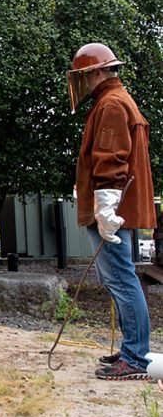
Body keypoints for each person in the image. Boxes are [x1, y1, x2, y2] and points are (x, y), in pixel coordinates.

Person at [67, 42, 156, 381]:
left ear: (99, 72)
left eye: (85, 76)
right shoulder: (115, 101)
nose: (83, 83)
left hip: (113, 210)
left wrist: (105, 209)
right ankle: (134, 349)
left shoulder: (112, 104)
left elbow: (111, 159)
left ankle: (135, 357)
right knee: (119, 279)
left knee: (121, 279)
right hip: (116, 208)